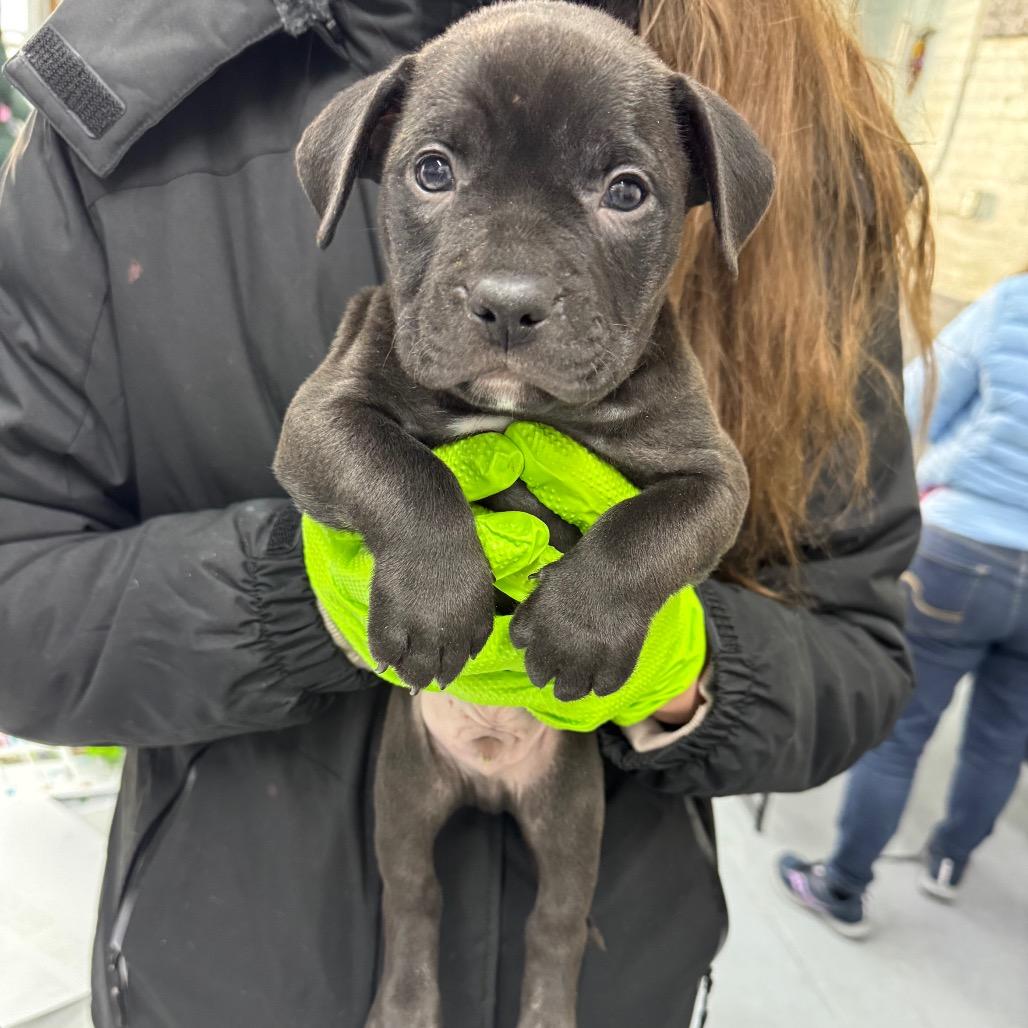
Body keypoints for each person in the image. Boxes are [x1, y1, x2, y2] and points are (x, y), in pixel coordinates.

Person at [0, 1, 931, 1025]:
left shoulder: (796, 120)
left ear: (701, 197)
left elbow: (841, 629)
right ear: (367, 162)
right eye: (436, 173)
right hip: (223, 970)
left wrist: (676, 648)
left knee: (556, 909)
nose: (508, 283)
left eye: (622, 189)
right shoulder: (141, 98)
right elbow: (39, 595)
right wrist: (317, 581)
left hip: (616, 925)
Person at [779, 272, 1028, 937]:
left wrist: (945, 464)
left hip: (963, 548)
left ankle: (843, 886)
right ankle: (948, 863)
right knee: (1003, 738)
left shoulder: (1012, 303)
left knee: (901, 730)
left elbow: (917, 395)